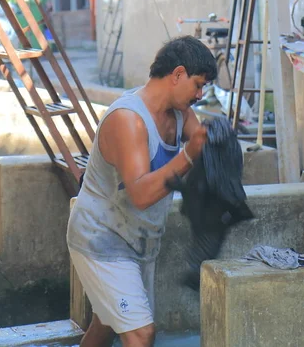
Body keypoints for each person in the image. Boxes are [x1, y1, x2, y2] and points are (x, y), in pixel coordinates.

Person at [66, 35, 217, 347]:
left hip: (140, 241)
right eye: (198, 85)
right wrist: (189, 155)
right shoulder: (128, 120)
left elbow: (205, 146)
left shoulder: (181, 112)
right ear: (177, 74)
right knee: (140, 333)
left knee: (107, 324)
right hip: (102, 239)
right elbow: (141, 194)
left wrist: (215, 144)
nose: (200, 95)